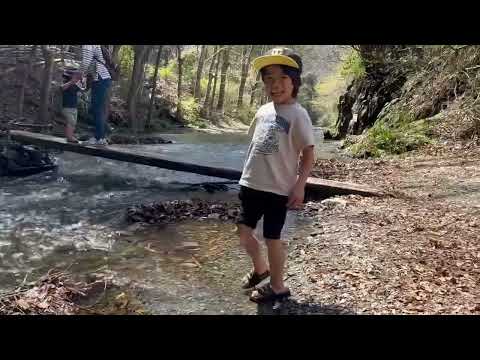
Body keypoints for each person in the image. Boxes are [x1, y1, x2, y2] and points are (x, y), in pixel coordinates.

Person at [236, 48, 315, 304]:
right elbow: (254, 145)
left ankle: (278, 286)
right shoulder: (262, 111)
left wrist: (299, 186)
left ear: (295, 81)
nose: (275, 84)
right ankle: (261, 269)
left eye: (282, 78)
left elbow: (308, 154)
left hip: (278, 189)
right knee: (243, 231)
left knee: (273, 238)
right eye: (268, 78)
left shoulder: (298, 115)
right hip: (250, 183)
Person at [79, 45, 112, 146]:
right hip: (102, 78)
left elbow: (86, 62)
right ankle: (101, 137)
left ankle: (99, 138)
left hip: (100, 78)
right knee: (97, 108)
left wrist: (78, 74)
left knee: (96, 108)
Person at [60, 68, 85, 143]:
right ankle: (69, 137)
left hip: (74, 107)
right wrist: (71, 82)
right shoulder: (66, 83)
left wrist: (83, 80)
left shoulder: (75, 85)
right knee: (71, 122)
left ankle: (70, 135)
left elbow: (83, 89)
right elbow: (62, 88)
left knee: (73, 123)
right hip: (66, 107)